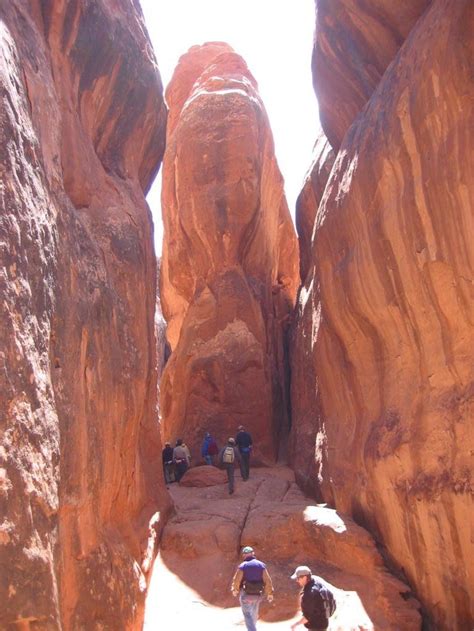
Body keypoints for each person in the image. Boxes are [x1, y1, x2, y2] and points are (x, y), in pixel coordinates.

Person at [231, 545, 274, 631]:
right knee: (254, 613)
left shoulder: (243, 565)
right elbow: (267, 580)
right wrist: (270, 593)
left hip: (246, 594)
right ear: (253, 554)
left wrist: (235, 590)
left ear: (244, 555)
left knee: (247, 614)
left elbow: (237, 580)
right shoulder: (261, 565)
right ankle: (252, 627)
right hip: (258, 594)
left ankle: (252, 630)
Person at [290, 565, 336, 631]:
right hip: (323, 624)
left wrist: (295, 625)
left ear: (305, 577)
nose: (297, 581)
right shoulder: (317, 583)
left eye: (298, 578)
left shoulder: (309, 593)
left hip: (316, 628)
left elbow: (307, 617)